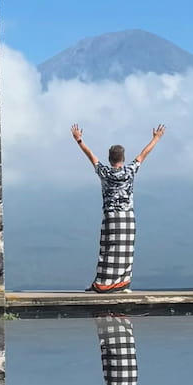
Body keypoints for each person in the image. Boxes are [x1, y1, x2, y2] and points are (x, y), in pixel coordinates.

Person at [70, 122, 165, 293]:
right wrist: (156, 138)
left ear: (109, 159)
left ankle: (103, 282)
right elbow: (143, 154)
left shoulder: (104, 172)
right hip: (127, 216)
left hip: (111, 216)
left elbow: (90, 155)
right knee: (125, 251)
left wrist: (79, 140)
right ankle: (122, 283)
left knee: (107, 248)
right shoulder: (129, 171)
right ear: (123, 158)